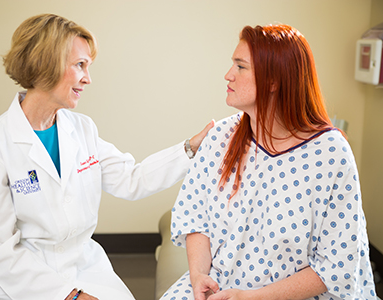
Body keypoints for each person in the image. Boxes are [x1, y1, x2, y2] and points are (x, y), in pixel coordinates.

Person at [0, 13, 214, 300]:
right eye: (80, 65)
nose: (88, 78)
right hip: (22, 284)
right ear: (47, 63)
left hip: (84, 268)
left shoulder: (81, 129)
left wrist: (192, 148)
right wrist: (71, 296)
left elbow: (131, 179)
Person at [161, 24, 377, 300]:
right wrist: (199, 276)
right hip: (221, 286)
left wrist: (250, 297)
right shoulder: (220, 138)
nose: (228, 75)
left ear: (274, 81)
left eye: (240, 67)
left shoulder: (330, 154)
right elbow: (195, 218)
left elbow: (336, 267)